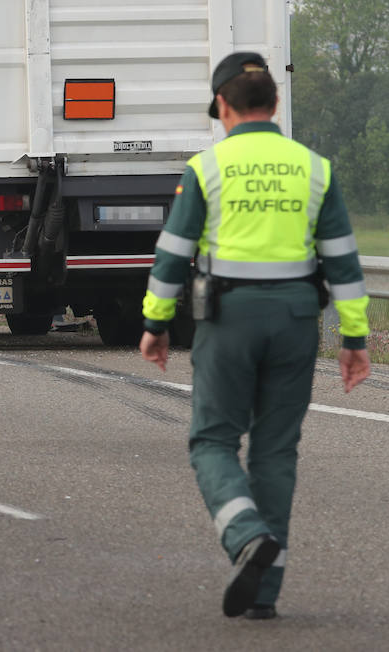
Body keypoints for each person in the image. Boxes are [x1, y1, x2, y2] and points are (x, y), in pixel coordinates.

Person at [139, 52, 372, 620]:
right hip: (297, 319)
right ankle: (265, 594)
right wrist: (355, 338)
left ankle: (244, 533)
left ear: (223, 106)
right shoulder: (315, 168)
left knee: (213, 441)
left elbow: (173, 254)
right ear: (275, 103)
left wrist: (155, 324)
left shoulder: (205, 169)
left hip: (230, 316)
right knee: (275, 452)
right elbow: (341, 258)